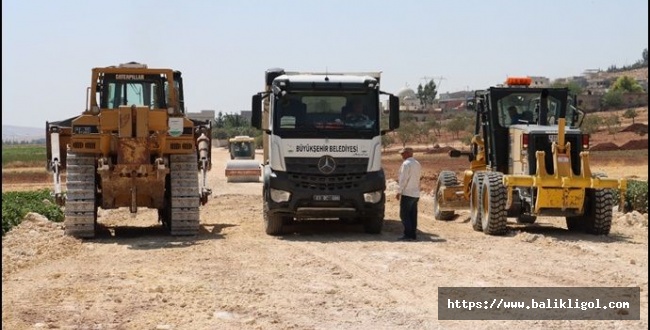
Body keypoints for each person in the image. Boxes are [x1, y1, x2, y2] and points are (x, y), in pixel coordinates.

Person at [396, 147, 422, 241]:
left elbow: (403, 179)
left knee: (404, 214)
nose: (401, 155)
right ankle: (413, 235)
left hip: (407, 193)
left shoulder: (406, 164)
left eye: (403, 153)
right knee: (413, 215)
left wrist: (399, 191)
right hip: (415, 193)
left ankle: (407, 234)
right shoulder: (417, 163)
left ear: (407, 153)